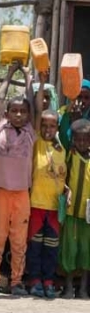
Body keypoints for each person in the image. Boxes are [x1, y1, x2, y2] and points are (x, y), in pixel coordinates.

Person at [0, 63, 35, 296]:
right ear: (7, 113)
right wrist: (8, 74)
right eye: (14, 111)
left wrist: (27, 77)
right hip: (0, 192)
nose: (18, 114)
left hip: (22, 193)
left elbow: (33, 102)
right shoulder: (1, 126)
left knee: (18, 241)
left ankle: (16, 281)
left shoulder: (30, 131)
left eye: (22, 111)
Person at [27, 74, 65, 299]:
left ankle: (49, 281)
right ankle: (34, 281)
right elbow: (38, 112)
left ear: (58, 127)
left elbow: (64, 175)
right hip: (36, 204)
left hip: (54, 208)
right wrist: (40, 84)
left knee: (51, 247)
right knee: (35, 246)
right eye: (45, 125)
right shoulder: (36, 142)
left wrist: (67, 190)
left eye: (53, 126)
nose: (48, 129)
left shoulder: (61, 148)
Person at [61, 118, 90, 299]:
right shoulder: (70, 155)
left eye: (86, 139)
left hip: (87, 216)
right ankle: (69, 286)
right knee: (69, 249)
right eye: (78, 139)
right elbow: (64, 133)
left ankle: (84, 288)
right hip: (71, 212)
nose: (81, 143)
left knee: (86, 251)